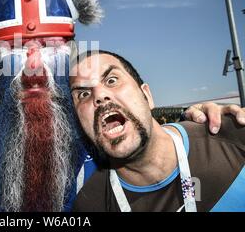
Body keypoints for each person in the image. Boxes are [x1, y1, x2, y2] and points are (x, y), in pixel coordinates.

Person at [0, 0, 242, 212]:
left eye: (51, 47)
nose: (34, 66)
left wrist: (200, 123)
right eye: (15, 49)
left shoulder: (93, 131)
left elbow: (145, 139)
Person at [70, 50, 245, 211]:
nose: (99, 95)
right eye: (83, 94)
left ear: (147, 95)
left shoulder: (233, 134)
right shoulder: (89, 205)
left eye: (111, 80)